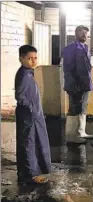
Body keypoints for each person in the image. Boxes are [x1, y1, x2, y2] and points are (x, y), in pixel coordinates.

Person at [15, 45, 51, 185]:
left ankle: (31, 172)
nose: (33, 61)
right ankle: (30, 174)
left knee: (33, 142)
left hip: (32, 114)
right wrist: (32, 110)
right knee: (28, 144)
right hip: (28, 115)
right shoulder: (24, 75)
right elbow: (20, 96)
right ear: (21, 59)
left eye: (35, 58)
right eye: (29, 58)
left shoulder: (28, 72)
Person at [62, 25, 93, 143]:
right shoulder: (71, 48)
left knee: (82, 108)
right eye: (82, 33)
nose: (85, 35)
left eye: (86, 33)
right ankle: (72, 135)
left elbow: (86, 68)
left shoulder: (85, 47)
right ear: (76, 34)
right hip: (76, 84)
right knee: (74, 108)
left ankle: (81, 132)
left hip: (84, 84)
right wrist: (74, 84)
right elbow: (68, 68)